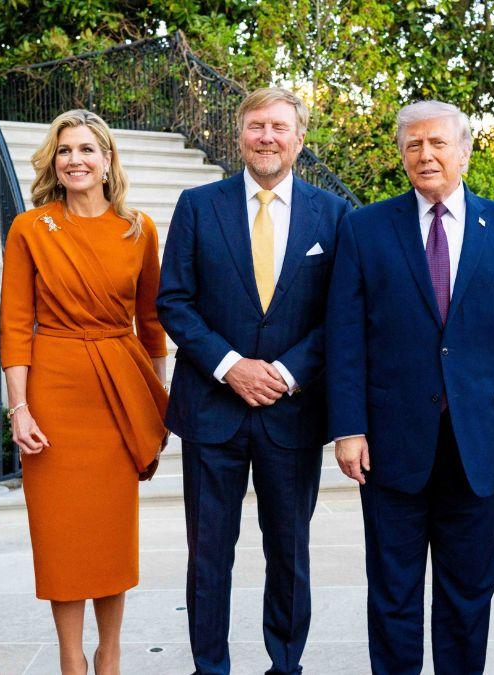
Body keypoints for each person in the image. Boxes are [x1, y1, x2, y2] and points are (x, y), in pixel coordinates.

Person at [326, 100, 494, 673]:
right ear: (401, 156)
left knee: (468, 595)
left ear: (465, 151)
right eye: (413, 145)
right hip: (391, 444)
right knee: (393, 593)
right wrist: (348, 427)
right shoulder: (364, 227)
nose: (426, 155)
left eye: (438, 143)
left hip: (479, 444)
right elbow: (345, 337)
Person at [156, 88, 350, 675]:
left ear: (299, 138)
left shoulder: (334, 215)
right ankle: (209, 666)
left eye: (279, 127)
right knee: (208, 554)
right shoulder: (197, 205)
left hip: (291, 414)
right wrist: (229, 365)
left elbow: (338, 314)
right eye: (256, 126)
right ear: (238, 134)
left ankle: (284, 664)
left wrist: (288, 372)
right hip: (212, 411)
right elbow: (174, 301)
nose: (267, 137)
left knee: (288, 553)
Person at [0, 109, 169, 675]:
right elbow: (16, 325)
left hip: (119, 390)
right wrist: (18, 407)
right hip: (54, 389)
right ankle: (71, 657)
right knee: (61, 531)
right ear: (54, 162)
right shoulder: (30, 228)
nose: (75, 159)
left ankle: (110, 651)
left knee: (111, 534)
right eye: (65, 150)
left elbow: (152, 324)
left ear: (107, 161)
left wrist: (155, 399)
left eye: (87, 150)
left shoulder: (139, 229)